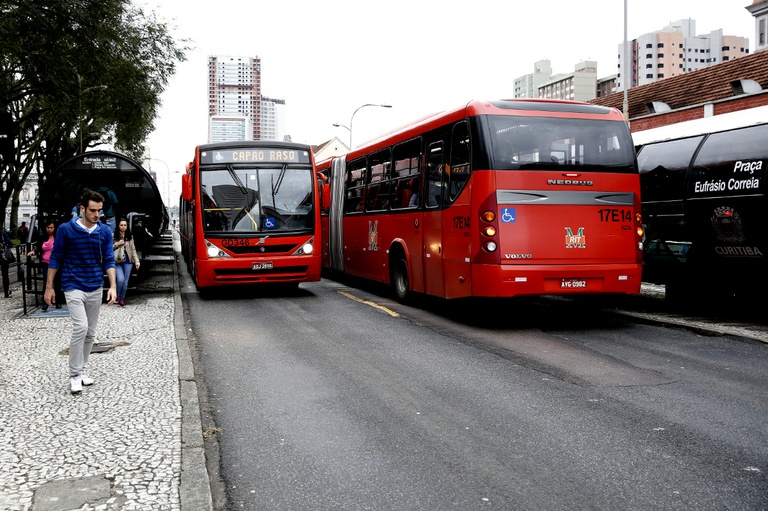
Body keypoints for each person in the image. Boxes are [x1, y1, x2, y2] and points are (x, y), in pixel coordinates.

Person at [46, 188, 117, 395]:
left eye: (100, 211)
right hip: (72, 284)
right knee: (81, 327)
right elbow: (55, 258)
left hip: (95, 285)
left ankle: (82, 370)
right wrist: (49, 287)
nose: (97, 215)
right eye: (93, 210)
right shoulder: (65, 230)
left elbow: (109, 260)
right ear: (82, 209)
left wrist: (112, 286)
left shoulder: (103, 231)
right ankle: (75, 375)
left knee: (91, 333)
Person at [27, 219, 63, 311]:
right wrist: (33, 252)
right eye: (48, 227)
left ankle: (58, 301)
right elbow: (38, 247)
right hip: (45, 262)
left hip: (56, 263)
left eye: (51, 227)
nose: (49, 229)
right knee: (46, 282)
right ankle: (45, 302)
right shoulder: (42, 238)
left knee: (57, 282)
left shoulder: (58, 237)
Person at [113, 217, 140, 307]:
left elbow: (133, 249)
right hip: (117, 261)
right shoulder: (114, 235)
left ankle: (121, 299)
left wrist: (137, 261)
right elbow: (108, 248)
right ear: (118, 226)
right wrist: (118, 244)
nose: (123, 227)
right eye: (121, 225)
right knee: (120, 279)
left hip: (128, 261)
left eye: (125, 225)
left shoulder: (130, 236)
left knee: (125, 282)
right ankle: (117, 295)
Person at [1, 225, 13, 298]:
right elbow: (10, 243)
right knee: (5, 275)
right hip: (3, 257)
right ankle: (6, 292)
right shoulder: (3, 234)